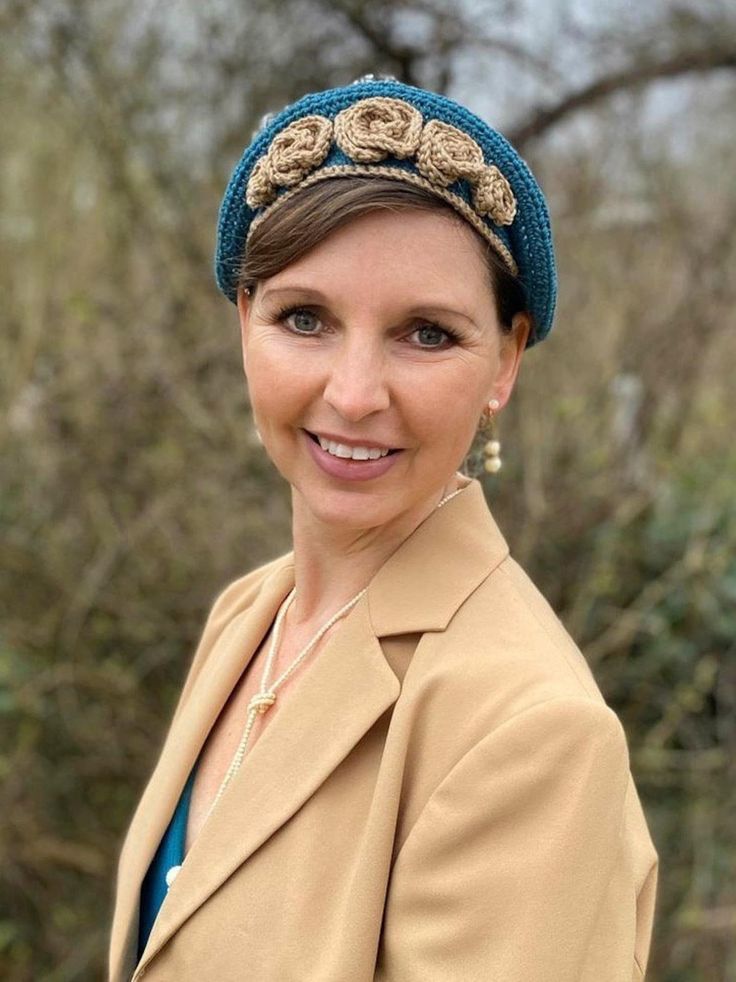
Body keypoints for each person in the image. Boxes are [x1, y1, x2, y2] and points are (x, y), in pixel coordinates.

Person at [108, 76, 658, 981]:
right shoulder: (250, 616)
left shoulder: (532, 733)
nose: (355, 395)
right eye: (304, 318)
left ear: (506, 361)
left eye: (427, 335)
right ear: (244, 322)